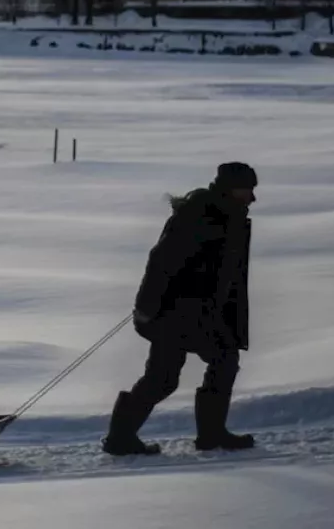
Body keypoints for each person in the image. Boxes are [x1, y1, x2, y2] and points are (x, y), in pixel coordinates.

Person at [102, 161, 258, 455]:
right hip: (181, 312)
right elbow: (161, 262)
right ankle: (209, 435)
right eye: (246, 189)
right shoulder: (200, 215)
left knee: (168, 376)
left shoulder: (229, 215)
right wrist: (146, 307)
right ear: (229, 188)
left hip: (200, 312)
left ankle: (122, 437)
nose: (251, 197)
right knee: (216, 362)